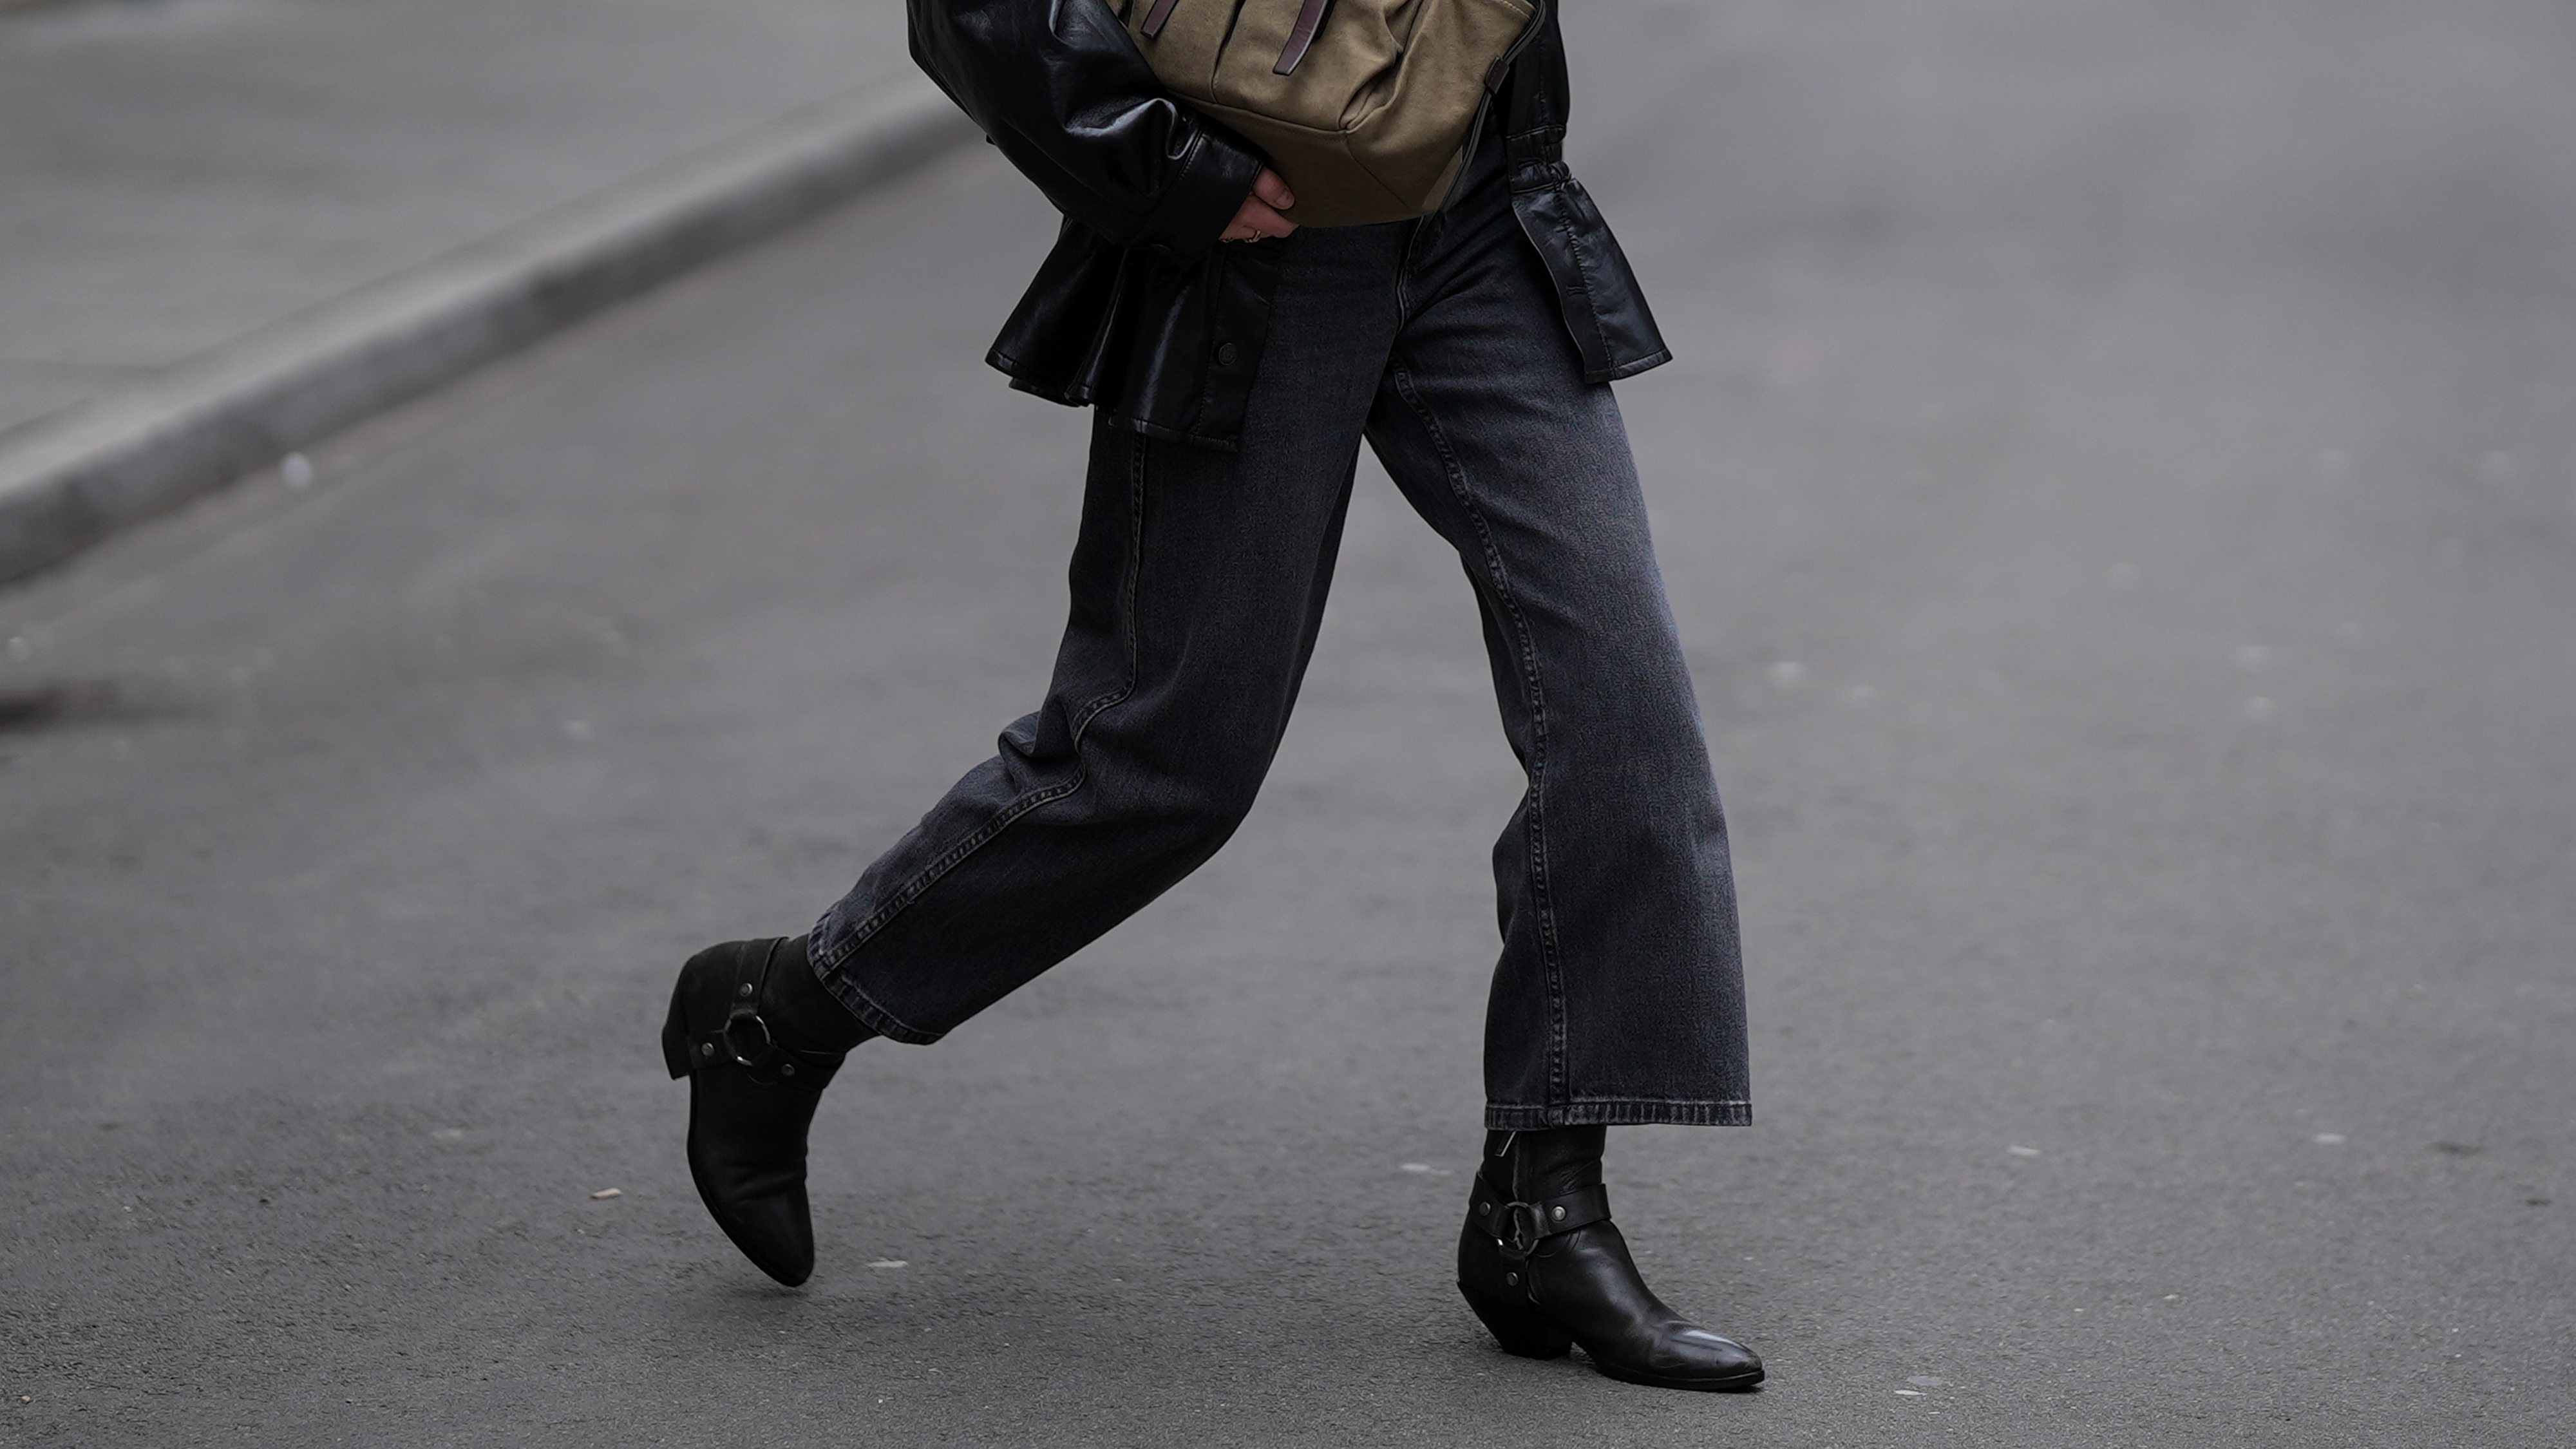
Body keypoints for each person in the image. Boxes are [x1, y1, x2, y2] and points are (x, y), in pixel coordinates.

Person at [661, 0, 1763, 1392]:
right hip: (1260, 240)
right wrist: (1168, 171)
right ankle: (782, 1011)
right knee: (1165, 759)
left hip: (1479, 209)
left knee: (1624, 705)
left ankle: (1540, 1203)